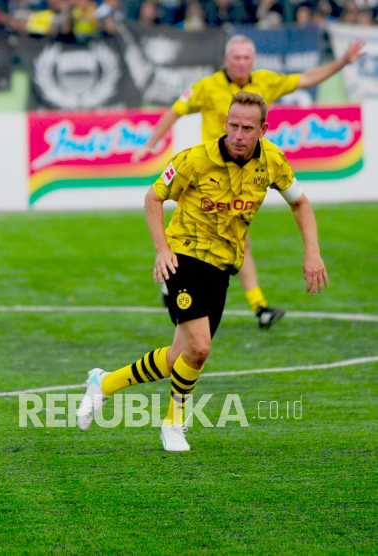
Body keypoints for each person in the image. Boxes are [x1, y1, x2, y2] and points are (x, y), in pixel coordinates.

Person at [78, 92, 328, 452]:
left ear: (263, 129)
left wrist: (313, 253)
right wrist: (162, 249)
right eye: (232, 125)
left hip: (223, 266)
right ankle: (174, 424)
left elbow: (300, 203)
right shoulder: (195, 159)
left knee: (182, 355)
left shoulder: (272, 161)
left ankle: (102, 383)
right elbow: (153, 196)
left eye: (247, 128)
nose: (238, 134)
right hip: (183, 258)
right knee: (201, 346)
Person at [133, 34, 362, 329]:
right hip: (203, 181)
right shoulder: (207, 86)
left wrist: (342, 61)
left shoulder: (266, 82)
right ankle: (247, 303)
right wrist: (151, 144)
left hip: (244, 179)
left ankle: (254, 306)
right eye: (236, 57)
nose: (241, 62)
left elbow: (306, 79)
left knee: (239, 244)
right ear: (226, 60)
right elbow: (176, 110)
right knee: (214, 244)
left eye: (246, 57)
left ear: (253, 60)